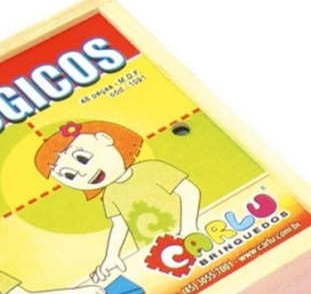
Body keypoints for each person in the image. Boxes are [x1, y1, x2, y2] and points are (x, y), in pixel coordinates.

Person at [34, 120, 200, 283]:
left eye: (83, 159)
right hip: (158, 249)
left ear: (104, 139)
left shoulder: (152, 168)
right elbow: (120, 225)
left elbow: (189, 192)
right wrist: (111, 256)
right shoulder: (110, 194)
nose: (83, 173)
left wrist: (188, 228)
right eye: (70, 175)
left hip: (192, 235)